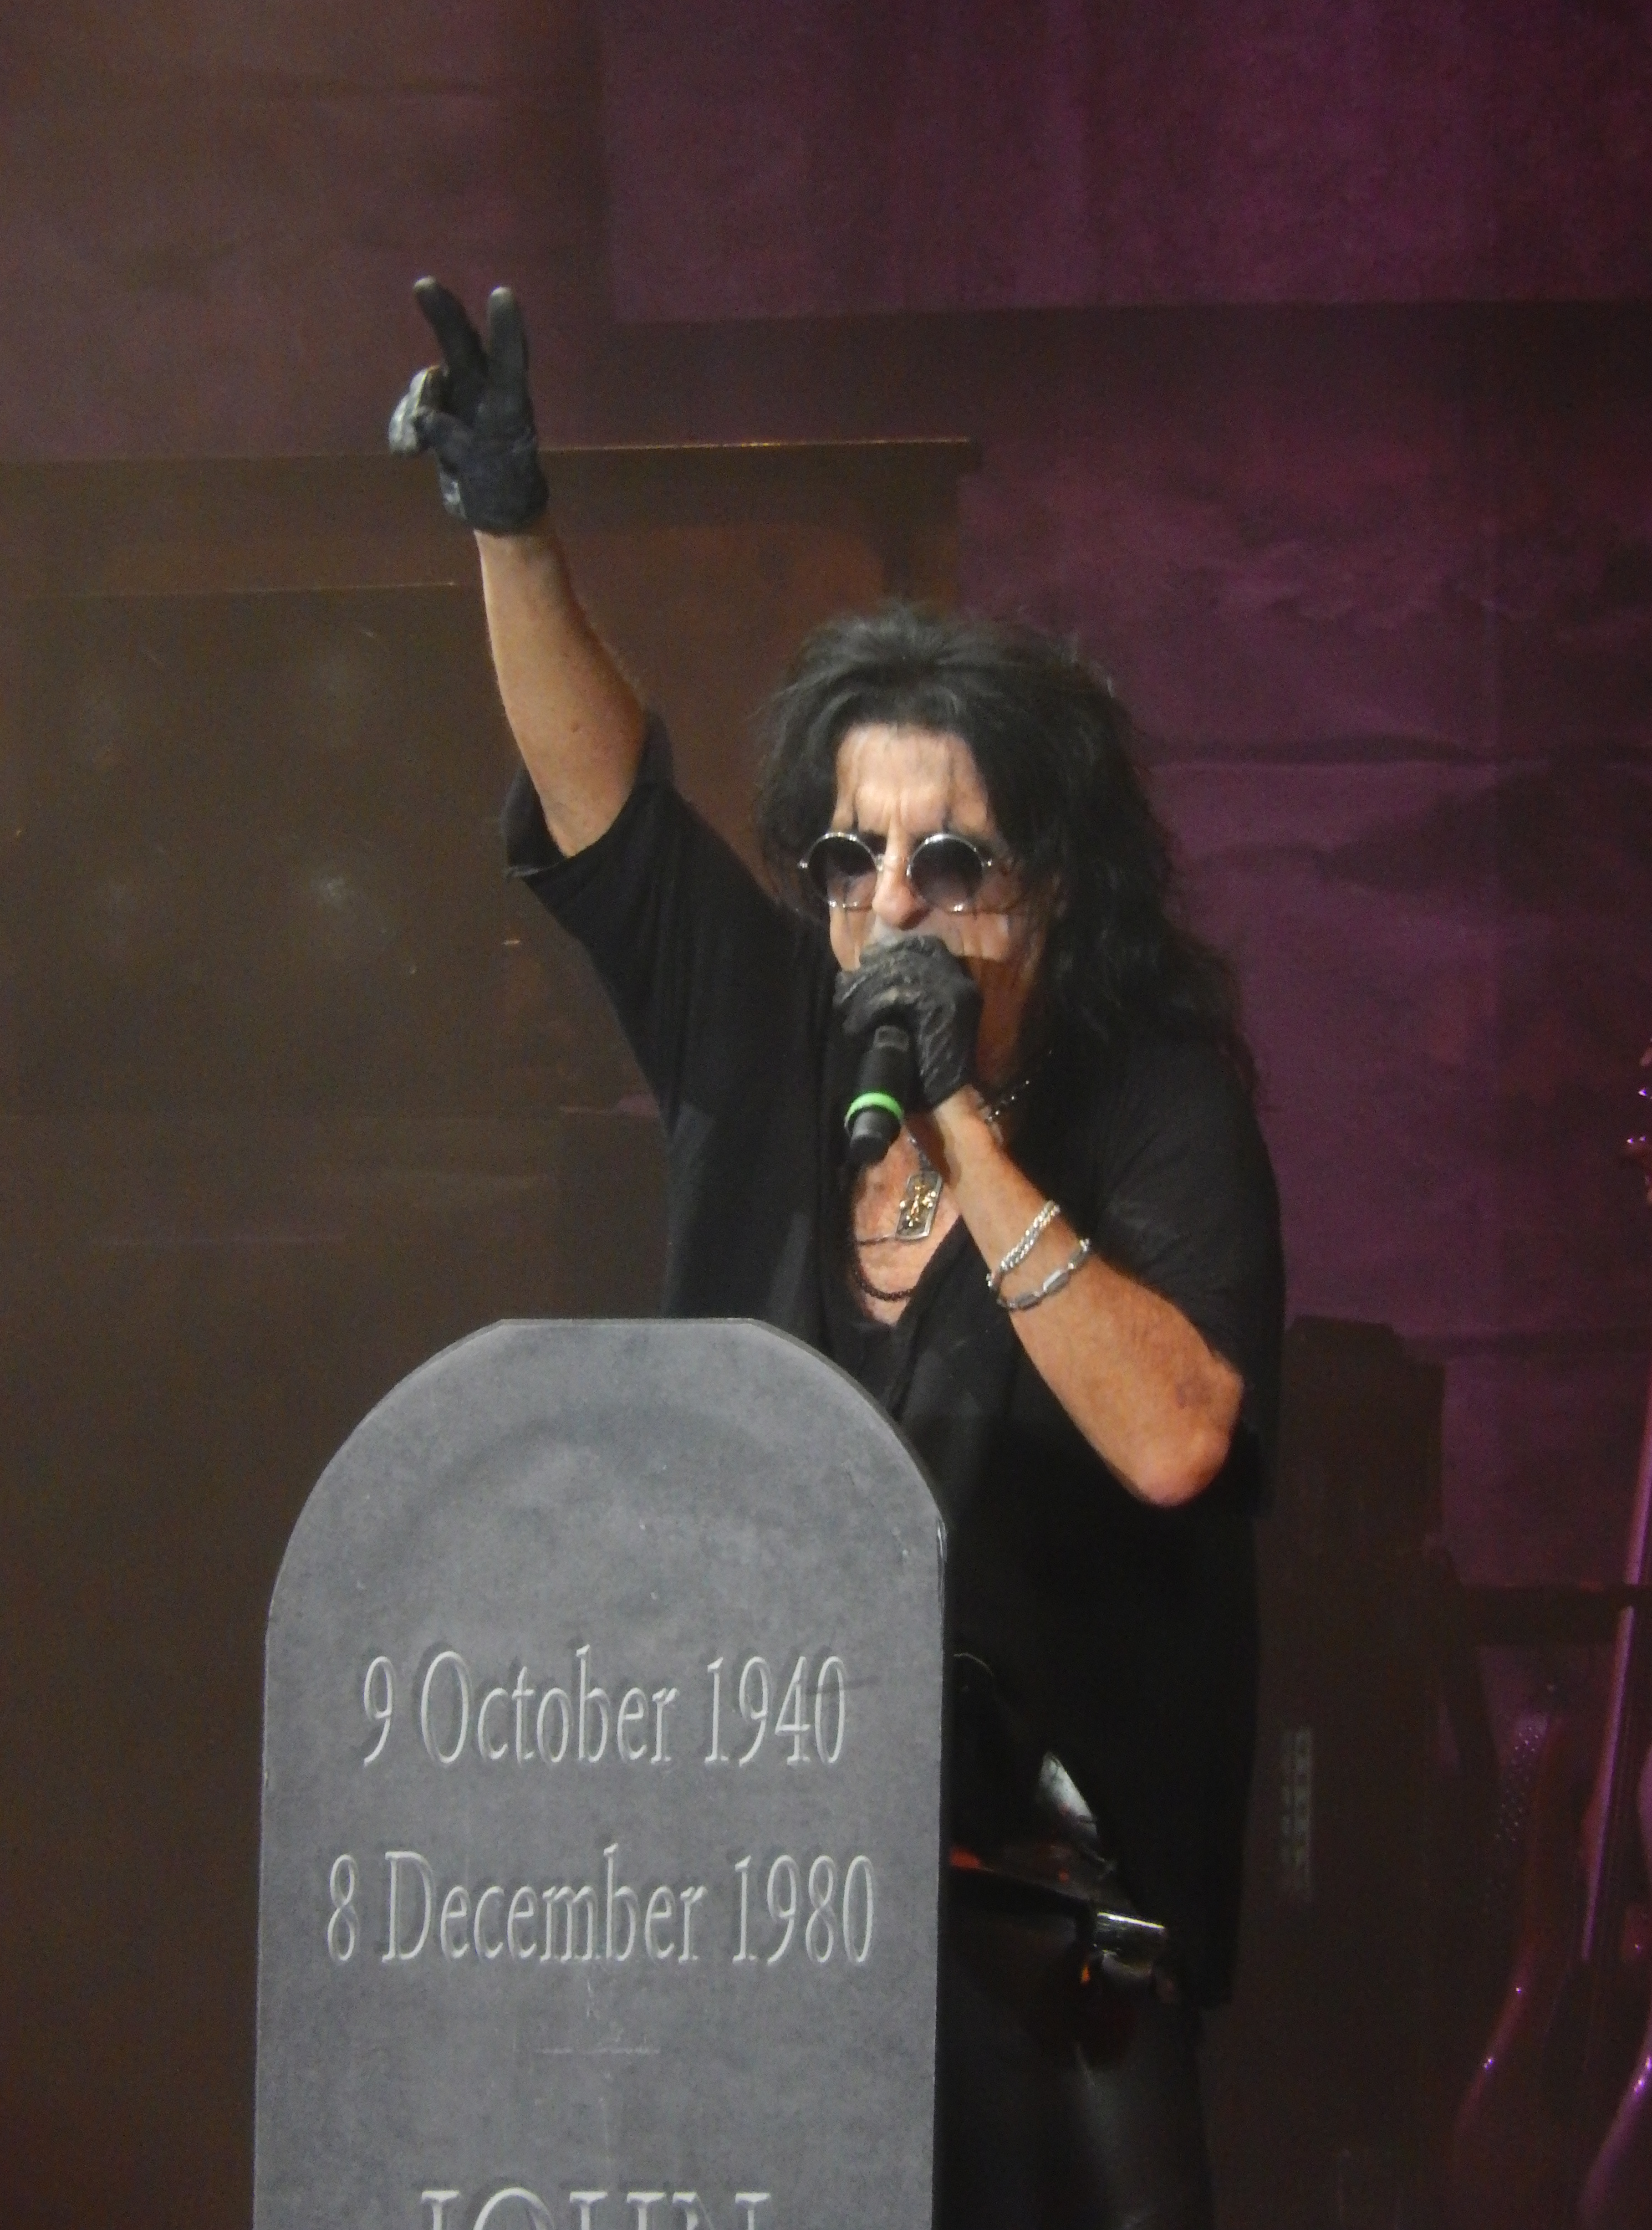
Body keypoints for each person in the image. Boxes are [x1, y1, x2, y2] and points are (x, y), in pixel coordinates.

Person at [392, 280, 1285, 2230]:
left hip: (1048, 1946)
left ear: (1052, 888)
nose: (893, 906)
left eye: (951, 863)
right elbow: (608, 814)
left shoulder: (1148, 1107)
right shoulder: (761, 1043)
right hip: (763, 1898)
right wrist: (509, 526)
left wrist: (961, 1124)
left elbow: (1177, 1442)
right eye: (852, 859)